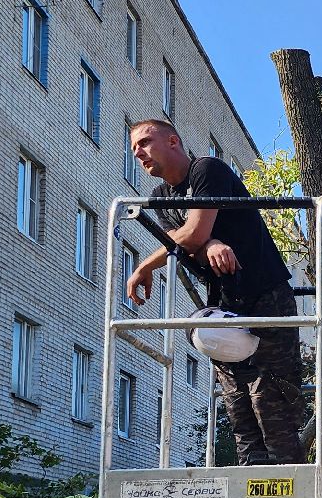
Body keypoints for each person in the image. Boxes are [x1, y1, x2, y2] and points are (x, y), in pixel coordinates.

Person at [123, 119, 305, 465]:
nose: (138, 152)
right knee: (236, 397)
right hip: (224, 301)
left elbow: (188, 236)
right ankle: (251, 484)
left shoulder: (207, 169)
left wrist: (145, 266)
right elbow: (187, 243)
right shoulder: (161, 197)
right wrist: (212, 242)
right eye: (134, 147)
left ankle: (289, 486)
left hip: (266, 295)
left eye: (145, 142)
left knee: (270, 395)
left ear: (173, 141)